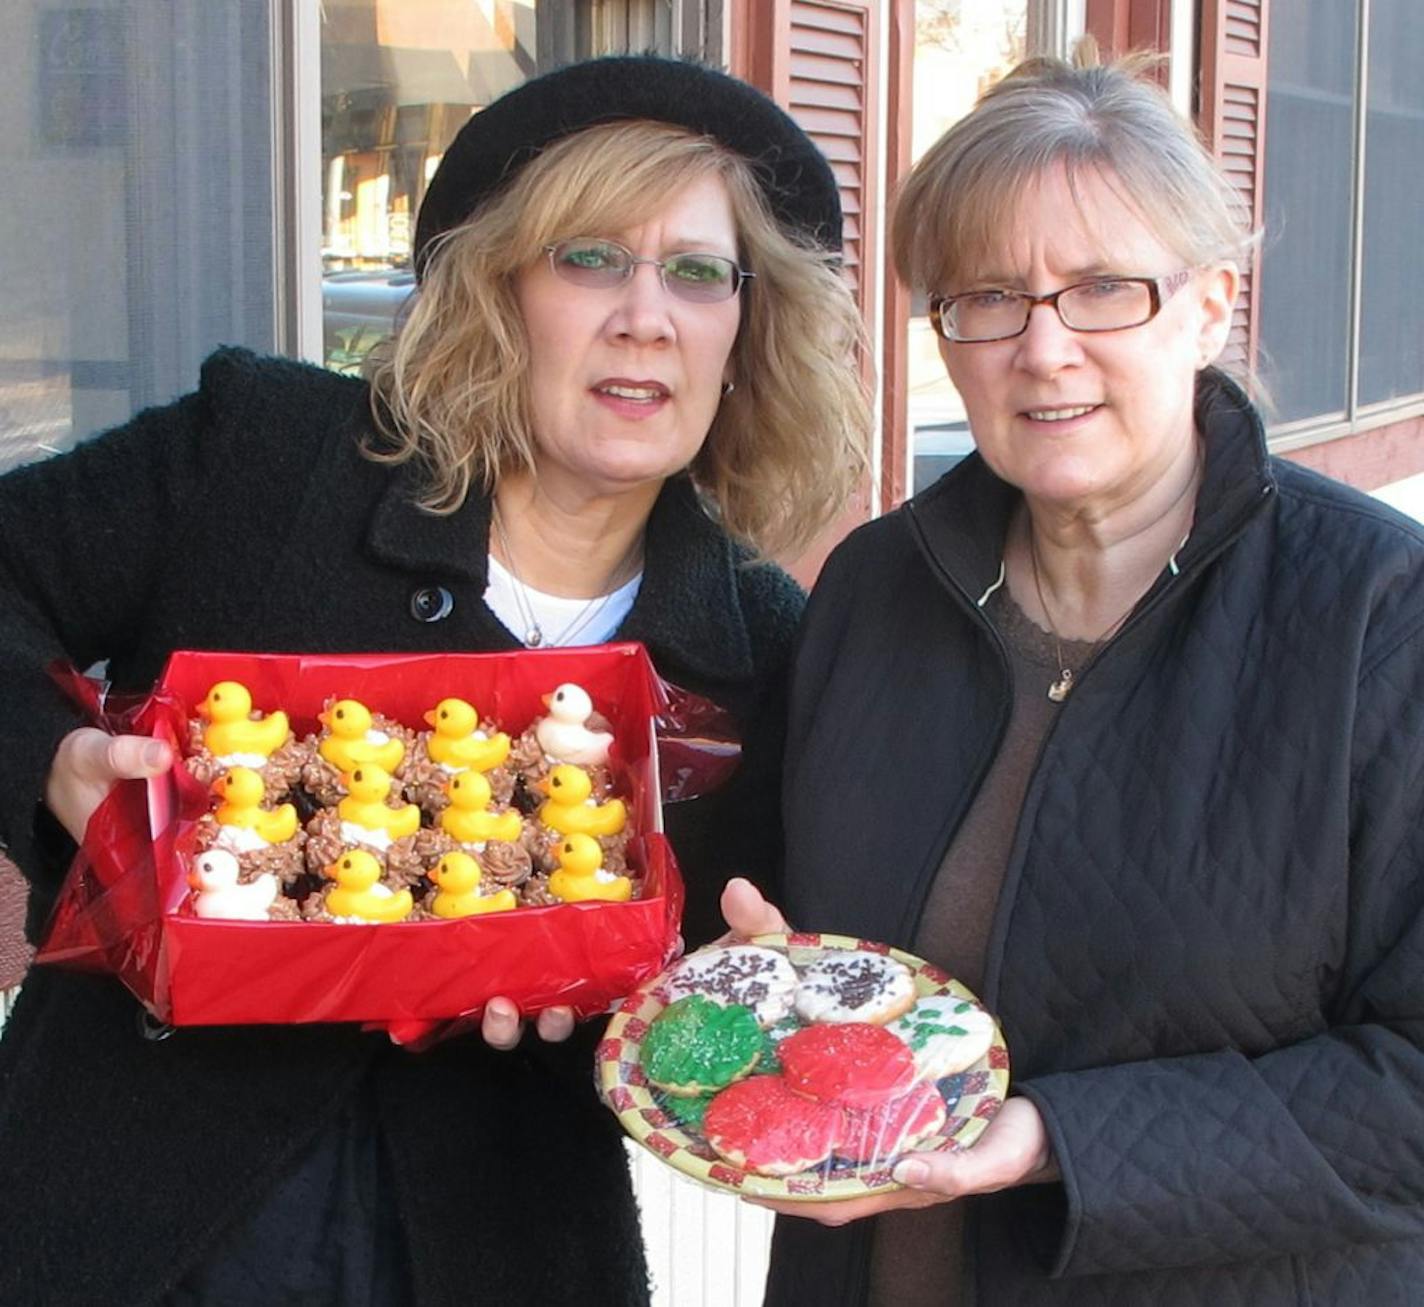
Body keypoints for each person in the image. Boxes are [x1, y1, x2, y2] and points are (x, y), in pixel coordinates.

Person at [0, 56, 868, 1306]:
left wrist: (668, 1021)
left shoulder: (763, 646)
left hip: (498, 1239)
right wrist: (51, 760)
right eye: (587, 258)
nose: (645, 315)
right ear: (498, 291)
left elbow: (724, 1001)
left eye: (694, 271)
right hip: (138, 1223)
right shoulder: (265, 457)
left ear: (745, 328)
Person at [725, 48, 1424, 1306]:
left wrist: (1054, 1138)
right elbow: (803, 946)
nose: (1040, 348)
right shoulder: (876, 591)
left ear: (1208, 305)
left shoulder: (1378, 615)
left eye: (1102, 289)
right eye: (985, 296)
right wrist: (764, 989)